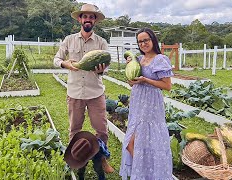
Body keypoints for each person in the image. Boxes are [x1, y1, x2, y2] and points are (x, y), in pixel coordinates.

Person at [53, 3, 114, 173]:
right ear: (80, 19)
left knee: (101, 130)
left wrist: (102, 70)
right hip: (74, 93)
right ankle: (75, 161)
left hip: (96, 93)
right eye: (85, 16)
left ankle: (102, 160)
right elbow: (56, 59)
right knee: (74, 129)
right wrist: (65, 63)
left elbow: (107, 66)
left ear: (95, 21)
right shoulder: (69, 40)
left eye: (91, 17)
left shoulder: (101, 43)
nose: (88, 19)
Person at [119, 27, 174, 180]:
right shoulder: (139, 59)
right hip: (137, 102)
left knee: (149, 139)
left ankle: (151, 173)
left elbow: (167, 86)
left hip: (151, 105)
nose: (143, 44)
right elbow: (133, 83)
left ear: (152, 40)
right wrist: (131, 77)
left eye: (146, 40)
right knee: (132, 141)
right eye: (140, 41)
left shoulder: (160, 59)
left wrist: (145, 80)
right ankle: (144, 171)